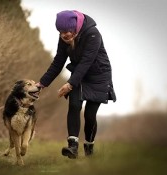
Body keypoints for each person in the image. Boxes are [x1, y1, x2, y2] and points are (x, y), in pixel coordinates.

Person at [36, 10, 116, 159]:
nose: (64, 35)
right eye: (60, 32)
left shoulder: (93, 34)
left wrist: (70, 84)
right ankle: (72, 147)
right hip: (79, 75)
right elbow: (58, 61)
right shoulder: (64, 38)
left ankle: (89, 147)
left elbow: (87, 61)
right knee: (74, 105)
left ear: (76, 27)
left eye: (67, 31)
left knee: (90, 115)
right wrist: (42, 83)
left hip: (99, 76)